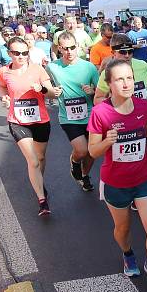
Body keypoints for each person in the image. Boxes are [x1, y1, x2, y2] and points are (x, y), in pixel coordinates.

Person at [87, 59, 147, 290]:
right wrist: (107, 141)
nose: (126, 83)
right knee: (123, 229)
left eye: (129, 78)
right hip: (115, 182)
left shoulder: (143, 106)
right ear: (109, 84)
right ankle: (128, 254)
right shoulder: (100, 113)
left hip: (143, 177)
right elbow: (93, 151)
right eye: (119, 79)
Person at [0, 36, 58, 216]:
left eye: (24, 53)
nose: (21, 56)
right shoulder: (3, 71)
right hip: (17, 121)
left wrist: (42, 90)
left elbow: (53, 94)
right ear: (9, 54)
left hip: (40, 120)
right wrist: (5, 97)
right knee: (32, 160)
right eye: (16, 53)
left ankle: (39, 182)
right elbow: (2, 87)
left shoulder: (38, 70)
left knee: (40, 158)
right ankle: (42, 200)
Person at [48, 31, 100, 193]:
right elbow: (44, 87)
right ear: (59, 49)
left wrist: (92, 91)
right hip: (68, 117)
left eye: (72, 47)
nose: (69, 51)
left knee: (91, 152)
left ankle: (84, 176)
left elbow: (101, 92)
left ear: (77, 47)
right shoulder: (52, 67)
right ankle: (75, 162)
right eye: (65, 48)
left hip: (90, 114)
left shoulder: (89, 67)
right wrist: (51, 91)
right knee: (82, 150)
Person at [94, 34, 147, 107]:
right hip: (121, 116)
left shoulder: (142, 65)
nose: (127, 55)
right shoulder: (107, 73)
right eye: (123, 52)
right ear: (113, 53)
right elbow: (97, 100)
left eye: (130, 51)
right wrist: (113, 101)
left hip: (143, 112)